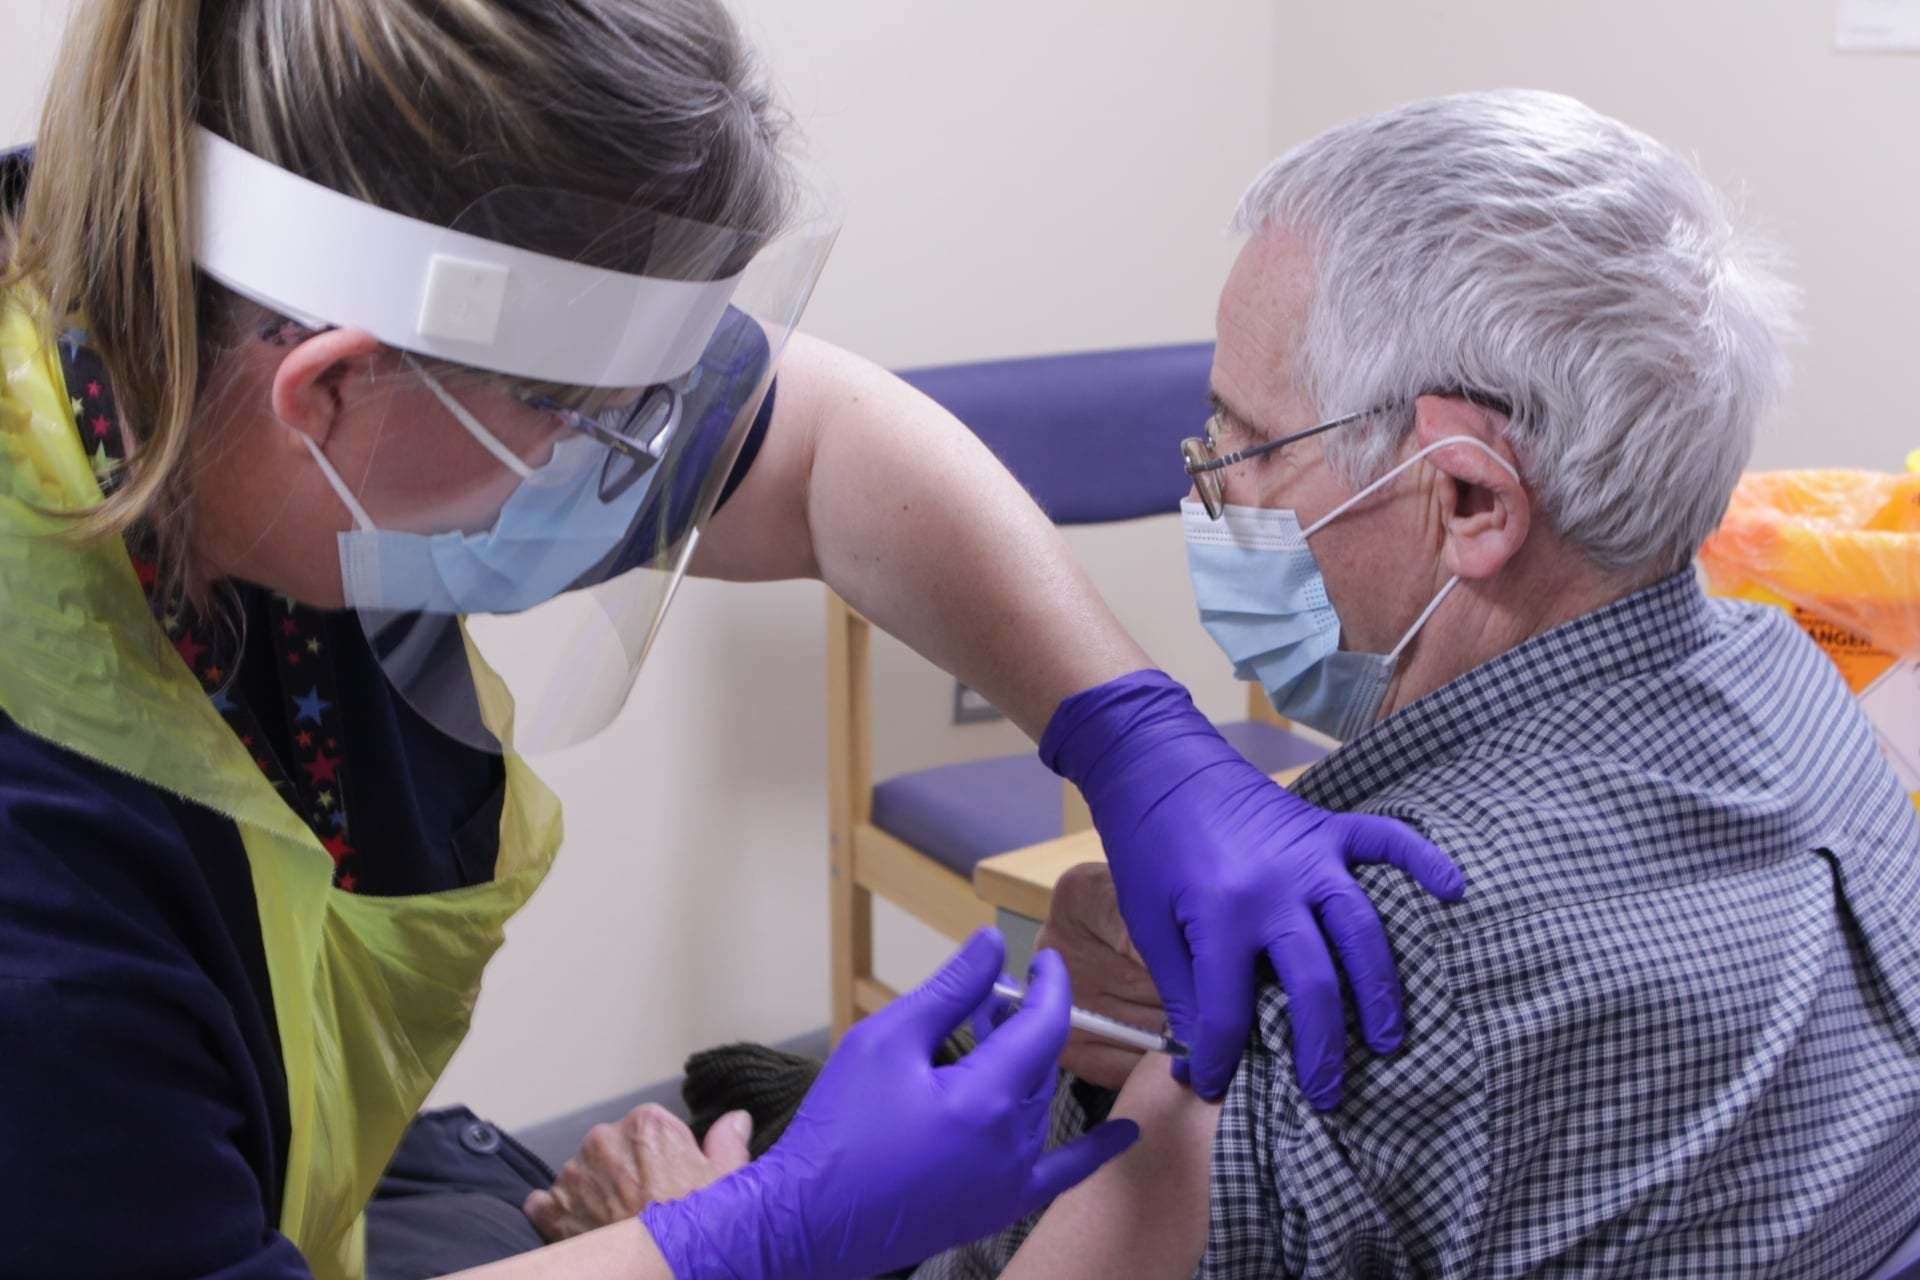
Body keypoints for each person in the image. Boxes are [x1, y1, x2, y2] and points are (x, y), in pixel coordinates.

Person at [0, 2, 1465, 1277]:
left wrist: (1131, 736)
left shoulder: (169, 305)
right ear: (327, 391)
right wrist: (740, 1235)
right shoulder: (41, 886)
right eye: (592, 427)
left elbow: (820, 447)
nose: (650, 463)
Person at [912, 90, 1920, 1279]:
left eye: (1245, 447)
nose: (1208, 494)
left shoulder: (1361, 964)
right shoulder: (1802, 684)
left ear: (1470, 500)